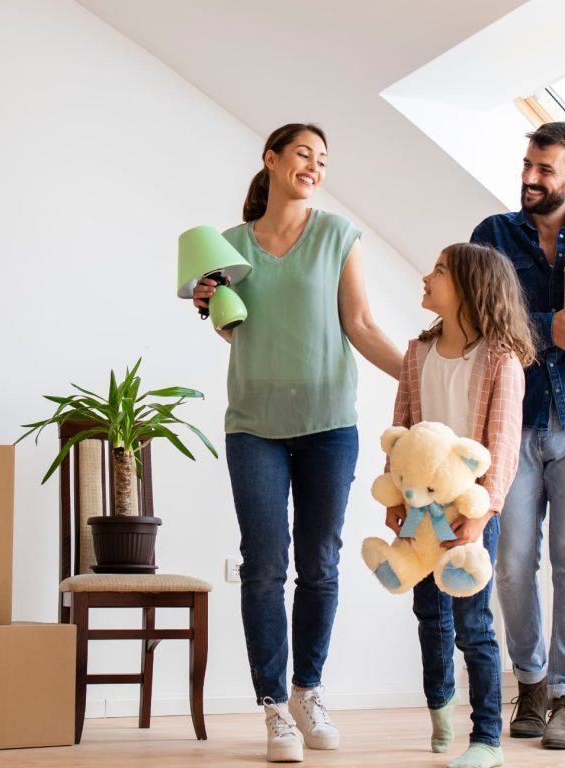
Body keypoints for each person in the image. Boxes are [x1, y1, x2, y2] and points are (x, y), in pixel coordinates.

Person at [192, 122, 402, 763]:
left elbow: (359, 324)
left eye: (323, 159)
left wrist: (417, 377)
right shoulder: (227, 245)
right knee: (263, 565)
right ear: (272, 160)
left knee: (320, 564)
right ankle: (274, 707)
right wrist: (208, 303)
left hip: (328, 423)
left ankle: (308, 691)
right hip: (253, 421)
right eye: (304, 155)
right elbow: (241, 333)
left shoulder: (339, 235)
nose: (314, 166)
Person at [471, 121, 565, 750]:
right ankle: (530, 682)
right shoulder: (493, 235)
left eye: (546, 170)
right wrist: (545, 327)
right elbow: (477, 318)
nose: (530, 178)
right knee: (509, 563)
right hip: (515, 418)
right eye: (528, 165)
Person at [385, 243, 534, 768]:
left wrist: (483, 512)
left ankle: (488, 738)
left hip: (471, 512)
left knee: (473, 624)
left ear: (471, 288)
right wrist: (392, 493)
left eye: (440, 270)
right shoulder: (416, 353)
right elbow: (400, 431)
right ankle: (439, 702)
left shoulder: (501, 360)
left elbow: (505, 445)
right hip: (419, 507)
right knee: (429, 612)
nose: (426, 276)